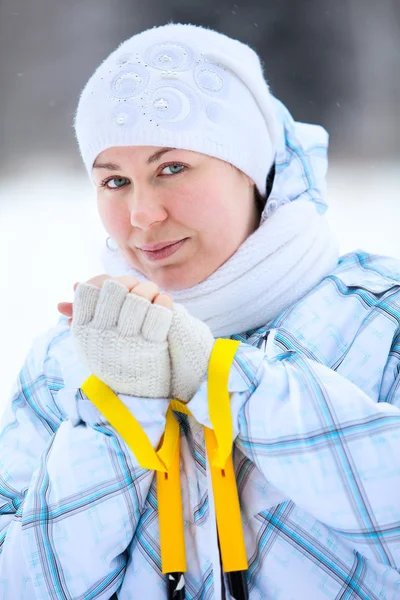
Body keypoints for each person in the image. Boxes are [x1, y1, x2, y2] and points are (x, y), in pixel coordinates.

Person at [1, 22, 399, 600]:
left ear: (252, 168)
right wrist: (119, 415)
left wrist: (222, 379)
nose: (142, 215)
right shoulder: (70, 361)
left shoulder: (380, 318)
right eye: (115, 180)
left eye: (171, 168)